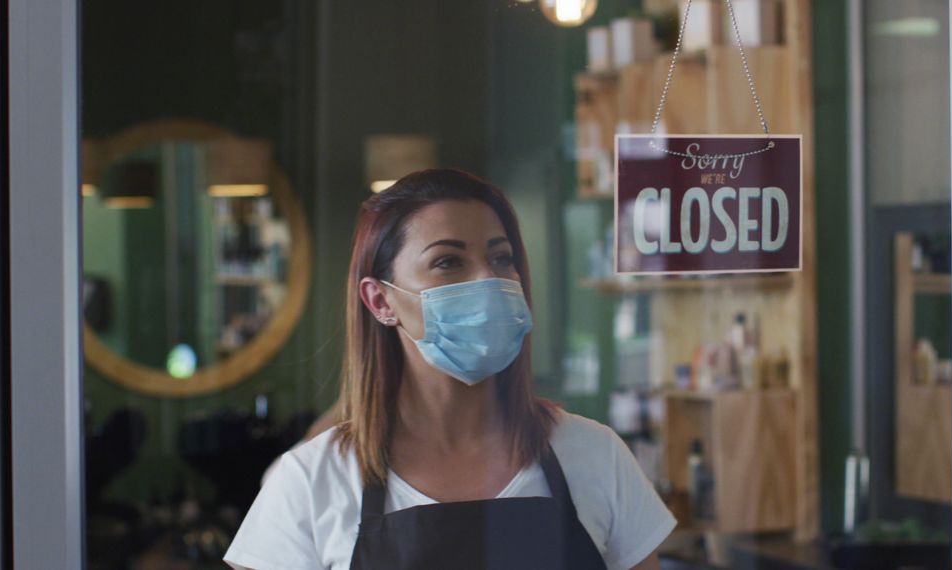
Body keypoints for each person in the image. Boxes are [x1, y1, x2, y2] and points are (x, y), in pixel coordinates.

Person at [224, 169, 676, 570]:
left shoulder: (594, 454)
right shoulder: (313, 480)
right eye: (448, 262)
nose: (487, 279)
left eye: (501, 258)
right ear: (380, 300)